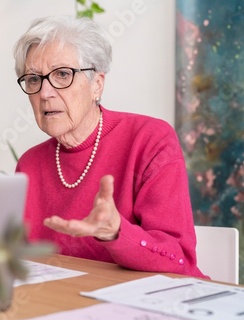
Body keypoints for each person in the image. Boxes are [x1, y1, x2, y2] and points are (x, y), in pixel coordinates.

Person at [13, 16, 207, 278]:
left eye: (62, 74)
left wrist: (116, 232)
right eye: (34, 79)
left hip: (151, 305)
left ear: (97, 85)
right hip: (66, 306)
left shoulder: (150, 140)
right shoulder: (29, 164)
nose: (45, 92)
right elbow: (22, 262)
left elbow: (179, 259)